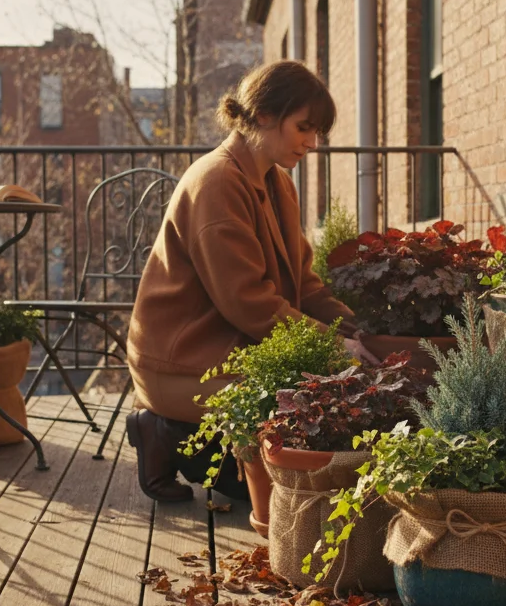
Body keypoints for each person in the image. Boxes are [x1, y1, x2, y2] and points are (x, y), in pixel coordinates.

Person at [124, 60, 371, 502]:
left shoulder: (278, 183)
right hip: (183, 363)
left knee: (329, 401)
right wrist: (334, 348)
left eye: (316, 132)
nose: (312, 143)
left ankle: (178, 436)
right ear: (262, 116)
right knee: (267, 465)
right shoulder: (216, 182)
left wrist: (360, 330)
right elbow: (250, 304)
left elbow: (305, 283)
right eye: (303, 128)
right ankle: (159, 430)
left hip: (232, 350)